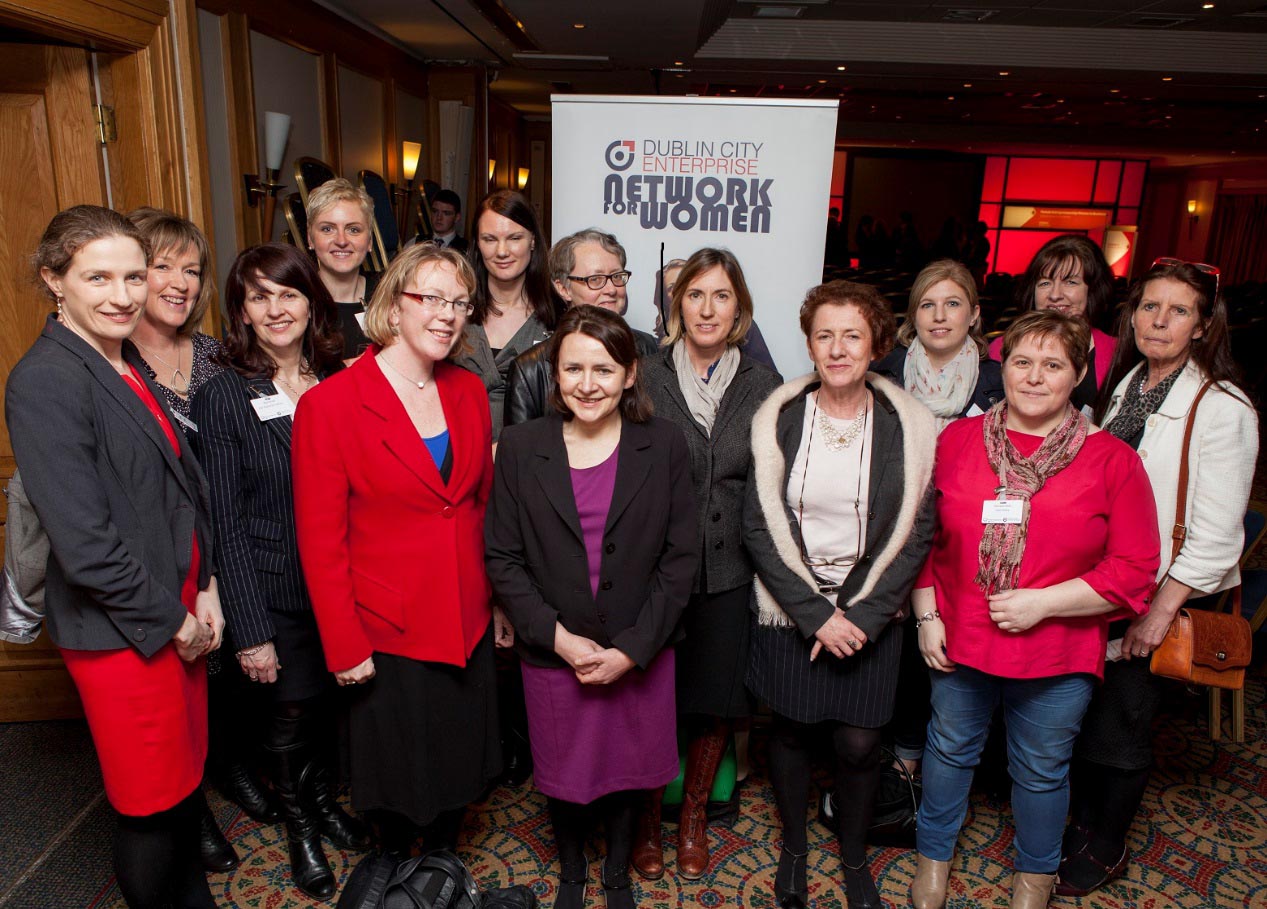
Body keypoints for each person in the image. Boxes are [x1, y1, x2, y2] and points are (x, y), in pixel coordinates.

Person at [7, 205, 222, 908]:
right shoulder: (46, 379)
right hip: (127, 632)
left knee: (184, 784)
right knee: (150, 804)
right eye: (98, 276)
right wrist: (176, 622)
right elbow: (87, 547)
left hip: (176, 607)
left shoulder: (120, 356)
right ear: (54, 280)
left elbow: (181, 485)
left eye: (134, 275)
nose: (123, 294)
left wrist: (209, 583)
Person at [911, 310, 1160, 909]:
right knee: (947, 751)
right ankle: (932, 859)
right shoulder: (958, 440)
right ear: (1004, 367)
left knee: (1043, 770)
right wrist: (927, 616)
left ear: (1077, 375)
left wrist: (1044, 604)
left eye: (1053, 365)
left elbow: (1133, 571)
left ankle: (1035, 878)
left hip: (1056, 646)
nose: (1034, 377)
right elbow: (922, 540)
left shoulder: (1112, 460)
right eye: (1022, 362)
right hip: (961, 635)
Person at [292, 243, 507, 858]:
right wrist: (343, 642)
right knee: (399, 779)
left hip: (464, 617)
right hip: (386, 629)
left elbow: (481, 507)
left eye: (460, 302)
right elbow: (320, 541)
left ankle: (438, 874)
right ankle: (396, 876)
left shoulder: (467, 391)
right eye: (430, 298)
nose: (447, 314)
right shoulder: (329, 406)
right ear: (394, 305)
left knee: (458, 769)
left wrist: (497, 602)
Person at [485, 305, 698, 909]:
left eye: (603, 369)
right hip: (556, 648)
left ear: (631, 374)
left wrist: (633, 649)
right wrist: (556, 639)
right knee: (563, 770)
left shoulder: (663, 444)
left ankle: (617, 876)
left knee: (630, 770)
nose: (587, 383)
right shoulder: (524, 447)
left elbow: (681, 558)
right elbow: (501, 556)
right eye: (572, 369)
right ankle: (575, 872)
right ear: (554, 375)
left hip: (640, 645)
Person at [1057, 259, 1258, 897]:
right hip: (1102, 580)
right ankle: (1083, 823)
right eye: (1149, 307)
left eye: (1177, 311)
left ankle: (1108, 844)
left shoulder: (1222, 406)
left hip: (1151, 592)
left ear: (1203, 326)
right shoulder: (1130, 383)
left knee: (1123, 722)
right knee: (1087, 715)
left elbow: (1220, 533)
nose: (1159, 320)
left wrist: (1160, 611)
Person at [744, 281, 937, 909]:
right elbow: (759, 525)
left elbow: (917, 531)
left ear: (876, 343)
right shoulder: (780, 416)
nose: (837, 348)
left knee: (858, 745)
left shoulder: (909, 425)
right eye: (824, 335)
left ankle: (855, 857)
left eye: (851, 334)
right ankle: (795, 849)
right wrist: (814, 615)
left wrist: (860, 615)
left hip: (870, 612)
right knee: (795, 732)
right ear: (809, 343)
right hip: (791, 611)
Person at [191, 243, 370, 899]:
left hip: (344, 586)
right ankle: (300, 829)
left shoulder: (338, 379)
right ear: (241, 308)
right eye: (257, 295)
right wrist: (250, 629)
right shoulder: (225, 395)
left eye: (287, 293)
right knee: (290, 715)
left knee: (328, 709)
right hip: (275, 587)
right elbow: (225, 522)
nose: (274, 308)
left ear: (310, 300)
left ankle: (321, 804)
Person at [636, 247, 781, 880]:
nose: (707, 308)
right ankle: (645, 821)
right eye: (695, 294)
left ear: (740, 309)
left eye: (721, 296)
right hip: (655, 571)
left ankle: (693, 816)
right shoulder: (643, 373)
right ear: (678, 304)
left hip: (729, 572)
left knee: (714, 700)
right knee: (648, 699)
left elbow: (775, 484)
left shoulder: (762, 384)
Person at [124, 206, 247, 872]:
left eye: (191, 269)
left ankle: (229, 768)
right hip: (157, 552)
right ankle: (191, 808)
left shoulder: (212, 354)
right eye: (161, 265)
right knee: (171, 690)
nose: (179, 281)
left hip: (220, 537)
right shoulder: (114, 362)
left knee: (222, 675)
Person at [871, 259, 1003, 778]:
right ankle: (899, 754)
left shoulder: (999, 380)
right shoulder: (885, 371)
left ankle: (960, 759)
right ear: (913, 315)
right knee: (896, 646)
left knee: (955, 644)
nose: (939, 316)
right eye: (927, 304)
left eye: (952, 304)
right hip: (893, 526)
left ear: (973, 314)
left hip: (967, 531)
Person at [504, 228, 655, 428]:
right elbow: (519, 451)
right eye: (595, 280)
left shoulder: (650, 349)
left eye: (617, 276)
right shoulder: (530, 370)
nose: (611, 289)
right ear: (563, 288)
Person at [454, 189, 559, 439]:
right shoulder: (453, 310)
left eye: (514, 238)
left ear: (532, 240)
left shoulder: (558, 318)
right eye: (490, 239)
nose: (502, 251)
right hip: (459, 456)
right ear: (477, 244)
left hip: (532, 460)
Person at [988, 234, 1116, 412]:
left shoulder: (1116, 353)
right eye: (1045, 282)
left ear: (1093, 289)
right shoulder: (1001, 348)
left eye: (1070, 282)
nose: (1055, 294)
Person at [305, 177, 376, 358]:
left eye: (353, 230)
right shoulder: (297, 301)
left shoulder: (389, 295)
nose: (342, 241)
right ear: (310, 239)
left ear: (369, 241)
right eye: (327, 229)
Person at [429, 189, 467, 253]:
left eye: (446, 213)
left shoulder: (466, 250)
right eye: (435, 211)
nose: (439, 217)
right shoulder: (415, 243)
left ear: (457, 217)